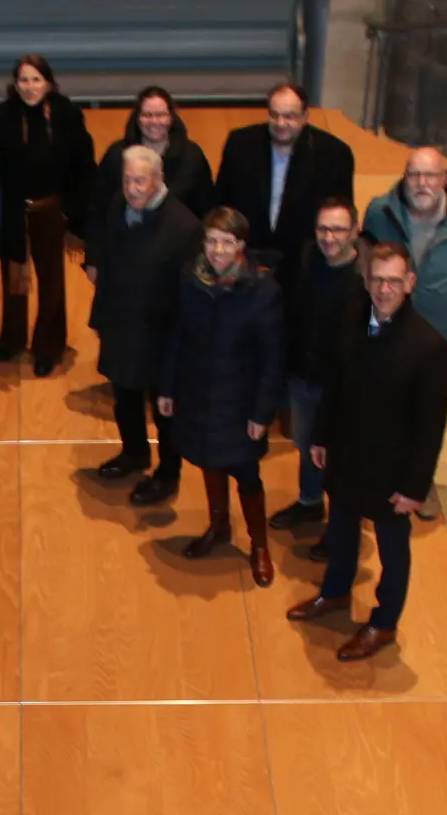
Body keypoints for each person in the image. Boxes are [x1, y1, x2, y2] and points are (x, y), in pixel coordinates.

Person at [286, 242, 447, 662]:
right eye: (377, 279)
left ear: (410, 283)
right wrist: (321, 437)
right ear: (366, 280)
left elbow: (430, 427)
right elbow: (334, 385)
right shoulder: (351, 319)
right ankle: (336, 593)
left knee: (392, 552)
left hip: (391, 473)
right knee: (340, 531)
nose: (384, 289)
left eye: (394, 281)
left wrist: (415, 488)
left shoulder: (428, 347)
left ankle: (383, 624)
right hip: (345, 455)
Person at [360, 146, 447, 518]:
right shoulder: (379, 212)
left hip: (439, 343)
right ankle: (376, 480)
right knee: (381, 411)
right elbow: (366, 260)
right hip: (386, 336)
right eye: (414, 175)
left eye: (430, 176)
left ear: (444, 180)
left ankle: (417, 484)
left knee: (427, 416)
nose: (421, 183)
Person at [159, 207, 284, 587]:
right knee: (207, 461)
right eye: (211, 240)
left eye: (225, 242)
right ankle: (218, 526)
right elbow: (176, 334)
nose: (216, 250)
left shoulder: (263, 290)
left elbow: (272, 358)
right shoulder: (190, 277)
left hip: (239, 401)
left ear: (241, 246)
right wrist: (166, 387)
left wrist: (262, 413)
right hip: (197, 391)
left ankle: (259, 545)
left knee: (246, 473)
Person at [84, 146, 202, 507]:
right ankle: (134, 453)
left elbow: (188, 295)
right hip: (122, 326)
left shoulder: (184, 227)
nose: (133, 189)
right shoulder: (119, 207)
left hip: (160, 337)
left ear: (158, 179)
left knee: (164, 411)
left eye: (140, 181)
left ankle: (168, 473)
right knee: (125, 399)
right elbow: (110, 261)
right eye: (127, 180)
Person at [269, 197, 366, 560]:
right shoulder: (309, 260)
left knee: (338, 462)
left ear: (354, 232)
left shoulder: (363, 282)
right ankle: (310, 503)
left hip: (338, 390)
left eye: (338, 229)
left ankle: (340, 532)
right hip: (302, 377)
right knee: (306, 446)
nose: (329, 237)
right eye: (323, 228)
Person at [0, 55, 96, 377]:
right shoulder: (2, 118)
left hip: (51, 210)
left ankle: (48, 346)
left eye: (36, 80)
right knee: (14, 280)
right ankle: (13, 341)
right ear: (15, 84)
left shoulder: (67, 115)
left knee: (51, 281)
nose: (30, 87)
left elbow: (82, 167)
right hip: (13, 210)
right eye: (24, 80)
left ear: (48, 82)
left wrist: (74, 215)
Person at [213, 82, 355, 289]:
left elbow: (342, 215)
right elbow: (222, 204)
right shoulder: (240, 144)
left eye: (289, 116)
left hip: (304, 268)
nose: (280, 123)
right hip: (247, 262)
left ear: (305, 116)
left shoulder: (334, 155)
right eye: (274, 115)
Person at [90, 86, 214, 221]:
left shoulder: (192, 157)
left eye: (161, 115)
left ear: (171, 118)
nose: (154, 121)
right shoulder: (117, 155)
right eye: (147, 115)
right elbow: (99, 207)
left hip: (180, 238)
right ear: (137, 118)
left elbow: (207, 209)